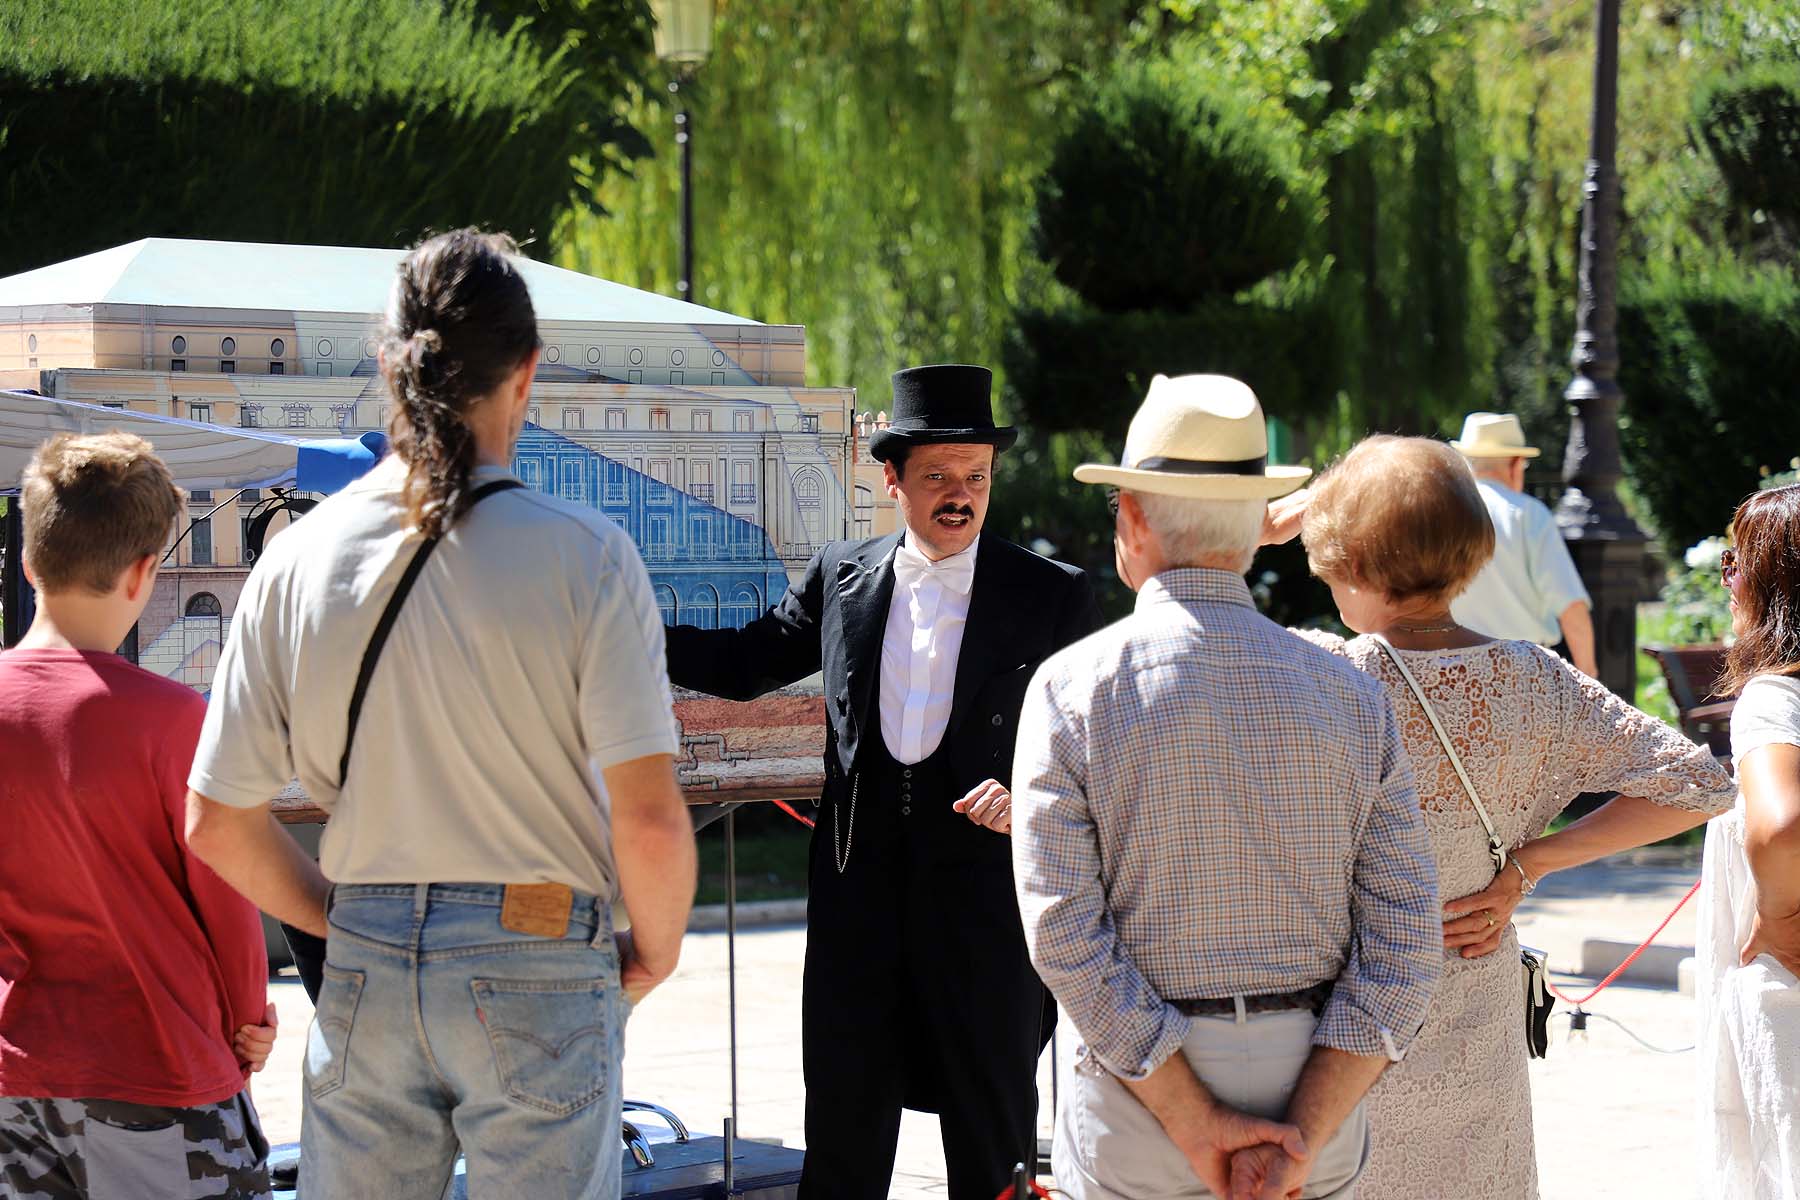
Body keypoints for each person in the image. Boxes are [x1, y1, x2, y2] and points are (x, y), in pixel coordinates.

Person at [182, 229, 697, 1200]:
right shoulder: (584, 556)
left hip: (369, 962)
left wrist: (353, 917)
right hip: (538, 953)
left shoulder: (298, 558)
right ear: (527, 372)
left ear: (387, 364)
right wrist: (652, 954)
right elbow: (649, 817)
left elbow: (216, 820)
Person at [664, 363, 1102, 1199]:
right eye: (938, 476)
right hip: (857, 894)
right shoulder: (843, 575)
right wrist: (628, 628)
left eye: (976, 477)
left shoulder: (1051, 595)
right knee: (844, 1130)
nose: (960, 495)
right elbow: (746, 662)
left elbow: (1098, 740)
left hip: (984, 903)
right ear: (892, 477)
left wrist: (1032, 797)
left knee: (993, 1134)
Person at [1012, 374, 1443, 1200]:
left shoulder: (1071, 689)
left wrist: (1192, 1121)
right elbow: (1404, 941)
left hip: (1139, 1096)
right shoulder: (1350, 693)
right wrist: (1304, 1134)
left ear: (1133, 518)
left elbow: (1066, 936)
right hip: (1313, 1068)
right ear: (1255, 527)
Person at [1274, 435, 1733, 1199]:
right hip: (1474, 1010)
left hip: (1346, 1020)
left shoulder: (1316, 674)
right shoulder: (1529, 677)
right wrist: (1529, 864)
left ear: (1348, 560)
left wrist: (1258, 527)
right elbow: (1699, 785)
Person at [0, 432, 277, 1199]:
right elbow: (226, 890)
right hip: (160, 1072)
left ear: (29, 562)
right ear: (146, 571)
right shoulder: (174, 718)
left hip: (18, 1075)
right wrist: (250, 1014)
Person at [1696, 483, 1800, 1199]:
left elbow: (1780, 823)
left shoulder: (1775, 697)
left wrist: (1780, 913)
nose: (1728, 578)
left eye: (1738, 561)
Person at [1447, 412, 1598, 677]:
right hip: (1522, 671)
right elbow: (1571, 606)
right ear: (1516, 464)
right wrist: (1589, 676)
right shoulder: (1529, 515)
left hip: (1453, 671)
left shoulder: (1442, 513)